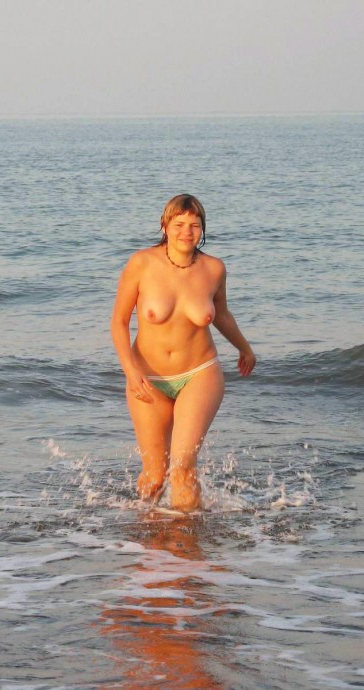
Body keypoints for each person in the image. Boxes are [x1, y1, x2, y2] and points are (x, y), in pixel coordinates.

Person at [111, 194, 256, 512]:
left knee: (184, 465)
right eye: (179, 224)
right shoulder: (142, 263)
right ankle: (147, 538)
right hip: (148, 379)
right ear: (165, 225)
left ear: (202, 229)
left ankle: (186, 545)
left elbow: (221, 315)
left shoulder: (214, 269)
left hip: (199, 373)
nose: (186, 231)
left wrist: (244, 348)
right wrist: (131, 372)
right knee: (154, 476)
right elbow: (119, 323)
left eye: (194, 224)